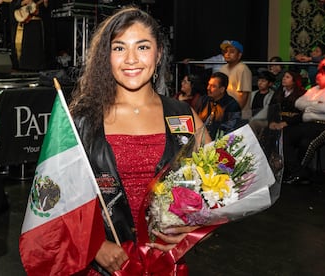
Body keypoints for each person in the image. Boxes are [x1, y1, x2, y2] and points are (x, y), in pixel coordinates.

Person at [68, 6, 211, 275]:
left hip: (165, 265)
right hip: (105, 269)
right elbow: (59, 197)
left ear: (158, 55)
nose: (131, 59)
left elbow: (219, 188)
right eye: (119, 48)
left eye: (143, 47)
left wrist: (196, 228)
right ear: (105, 58)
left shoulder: (184, 115)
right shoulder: (82, 120)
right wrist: (94, 244)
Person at [282, 65, 325, 185]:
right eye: (318, 73)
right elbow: (298, 103)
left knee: (307, 143)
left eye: (322, 74)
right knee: (285, 134)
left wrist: (309, 106)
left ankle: (297, 174)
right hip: (306, 123)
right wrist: (317, 103)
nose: (318, 76)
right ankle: (298, 172)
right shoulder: (314, 89)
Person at [195, 72, 242, 139]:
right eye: (209, 84)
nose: (208, 88)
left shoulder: (232, 105)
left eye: (213, 86)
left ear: (222, 89)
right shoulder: (203, 100)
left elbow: (230, 130)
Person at [219, 40, 253, 119]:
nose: (227, 54)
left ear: (239, 55)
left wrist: (234, 114)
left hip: (239, 116)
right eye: (225, 51)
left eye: (232, 52)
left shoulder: (243, 69)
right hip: (224, 114)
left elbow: (244, 95)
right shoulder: (223, 68)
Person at [11, 0, 49, 71]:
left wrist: (45, 4)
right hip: (23, 22)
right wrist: (22, 2)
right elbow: (13, 4)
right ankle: (22, 66)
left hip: (36, 24)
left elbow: (47, 10)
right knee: (23, 46)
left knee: (35, 45)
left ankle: (35, 68)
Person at [249, 70, 276, 138]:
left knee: (253, 123)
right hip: (251, 118)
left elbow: (267, 111)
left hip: (265, 120)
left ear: (270, 84)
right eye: (259, 80)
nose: (260, 83)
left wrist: (252, 119)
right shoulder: (252, 94)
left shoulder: (272, 95)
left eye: (263, 81)